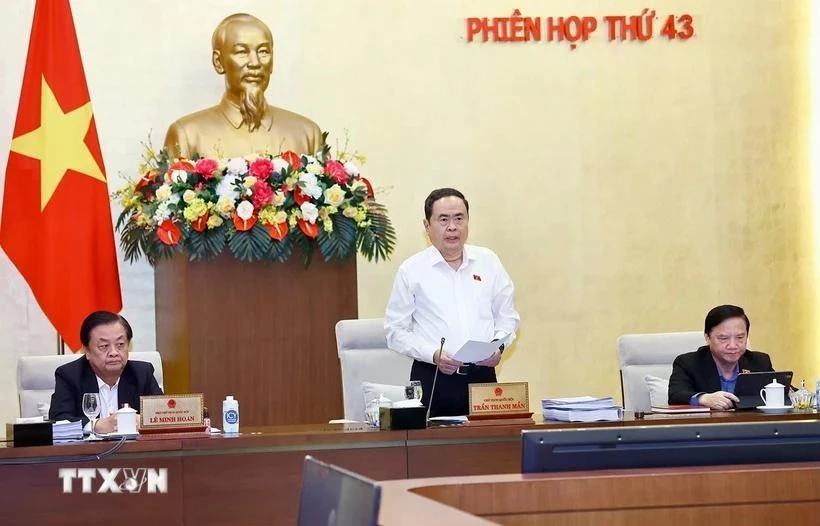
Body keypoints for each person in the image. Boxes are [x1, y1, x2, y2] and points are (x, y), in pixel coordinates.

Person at [384, 188, 520, 417]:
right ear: (427, 227)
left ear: (468, 221)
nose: (452, 227)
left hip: (482, 378)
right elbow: (395, 332)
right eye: (443, 219)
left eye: (459, 218)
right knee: (433, 451)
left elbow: (508, 317)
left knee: (486, 448)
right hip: (434, 377)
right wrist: (433, 354)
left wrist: (498, 346)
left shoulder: (488, 261)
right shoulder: (412, 270)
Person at [164, 13, 323, 159]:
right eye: (242, 52)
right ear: (219, 62)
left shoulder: (307, 134)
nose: (255, 63)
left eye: (263, 52)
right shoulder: (187, 135)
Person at [49, 311, 163, 434]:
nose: (114, 352)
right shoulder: (69, 375)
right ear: (86, 351)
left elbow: (163, 416)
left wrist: (144, 422)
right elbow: (58, 421)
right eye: (104, 346)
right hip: (88, 452)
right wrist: (95, 425)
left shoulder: (142, 373)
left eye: (120, 344)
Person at [667, 304, 774, 409]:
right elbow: (675, 396)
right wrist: (703, 398)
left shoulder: (759, 362)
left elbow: (787, 393)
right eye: (723, 338)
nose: (733, 345)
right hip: (707, 425)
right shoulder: (688, 363)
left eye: (740, 337)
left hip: (751, 425)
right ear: (707, 338)